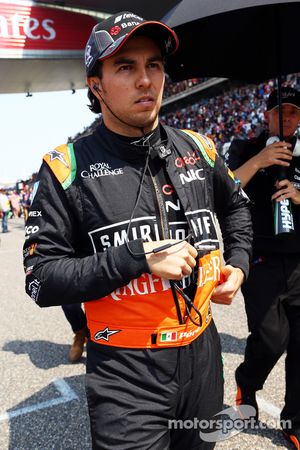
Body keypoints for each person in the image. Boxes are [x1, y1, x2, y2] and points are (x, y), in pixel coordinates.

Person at [23, 11, 252, 449]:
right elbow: (40, 279)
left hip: (204, 356)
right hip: (126, 371)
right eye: (126, 67)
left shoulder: (199, 147)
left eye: (154, 65)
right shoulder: (66, 168)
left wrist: (238, 266)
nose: (145, 79)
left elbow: (238, 210)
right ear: (97, 86)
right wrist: (137, 256)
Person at [226, 86, 300, 449]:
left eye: (294, 114)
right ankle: (247, 382)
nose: (286, 119)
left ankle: (296, 422)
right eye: (280, 112)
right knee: (272, 339)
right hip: (261, 258)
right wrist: (261, 160)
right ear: (267, 115)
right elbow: (222, 190)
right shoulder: (245, 147)